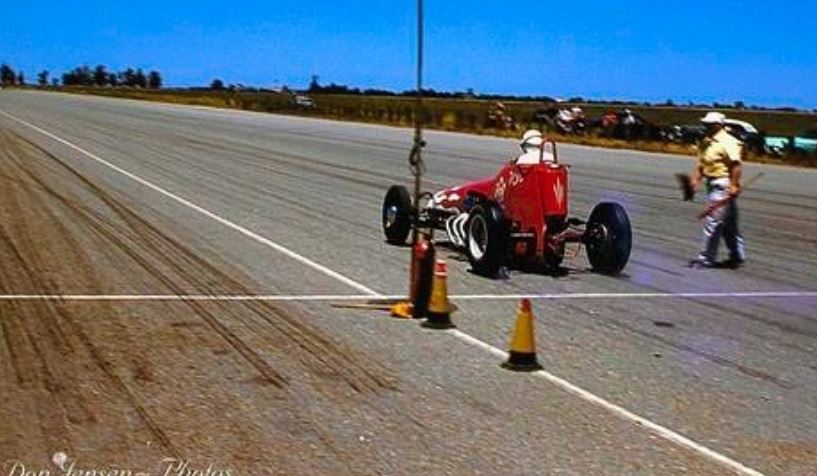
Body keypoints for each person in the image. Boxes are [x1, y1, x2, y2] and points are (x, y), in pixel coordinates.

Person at [688, 111, 746, 268]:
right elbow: (702, 164)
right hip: (712, 183)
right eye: (705, 124)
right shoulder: (707, 142)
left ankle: (706, 258)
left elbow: (736, 165)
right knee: (729, 224)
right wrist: (696, 180)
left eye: (709, 124)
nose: (705, 126)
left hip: (723, 185)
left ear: (719, 125)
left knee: (713, 222)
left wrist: (734, 184)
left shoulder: (729, 142)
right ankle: (738, 255)